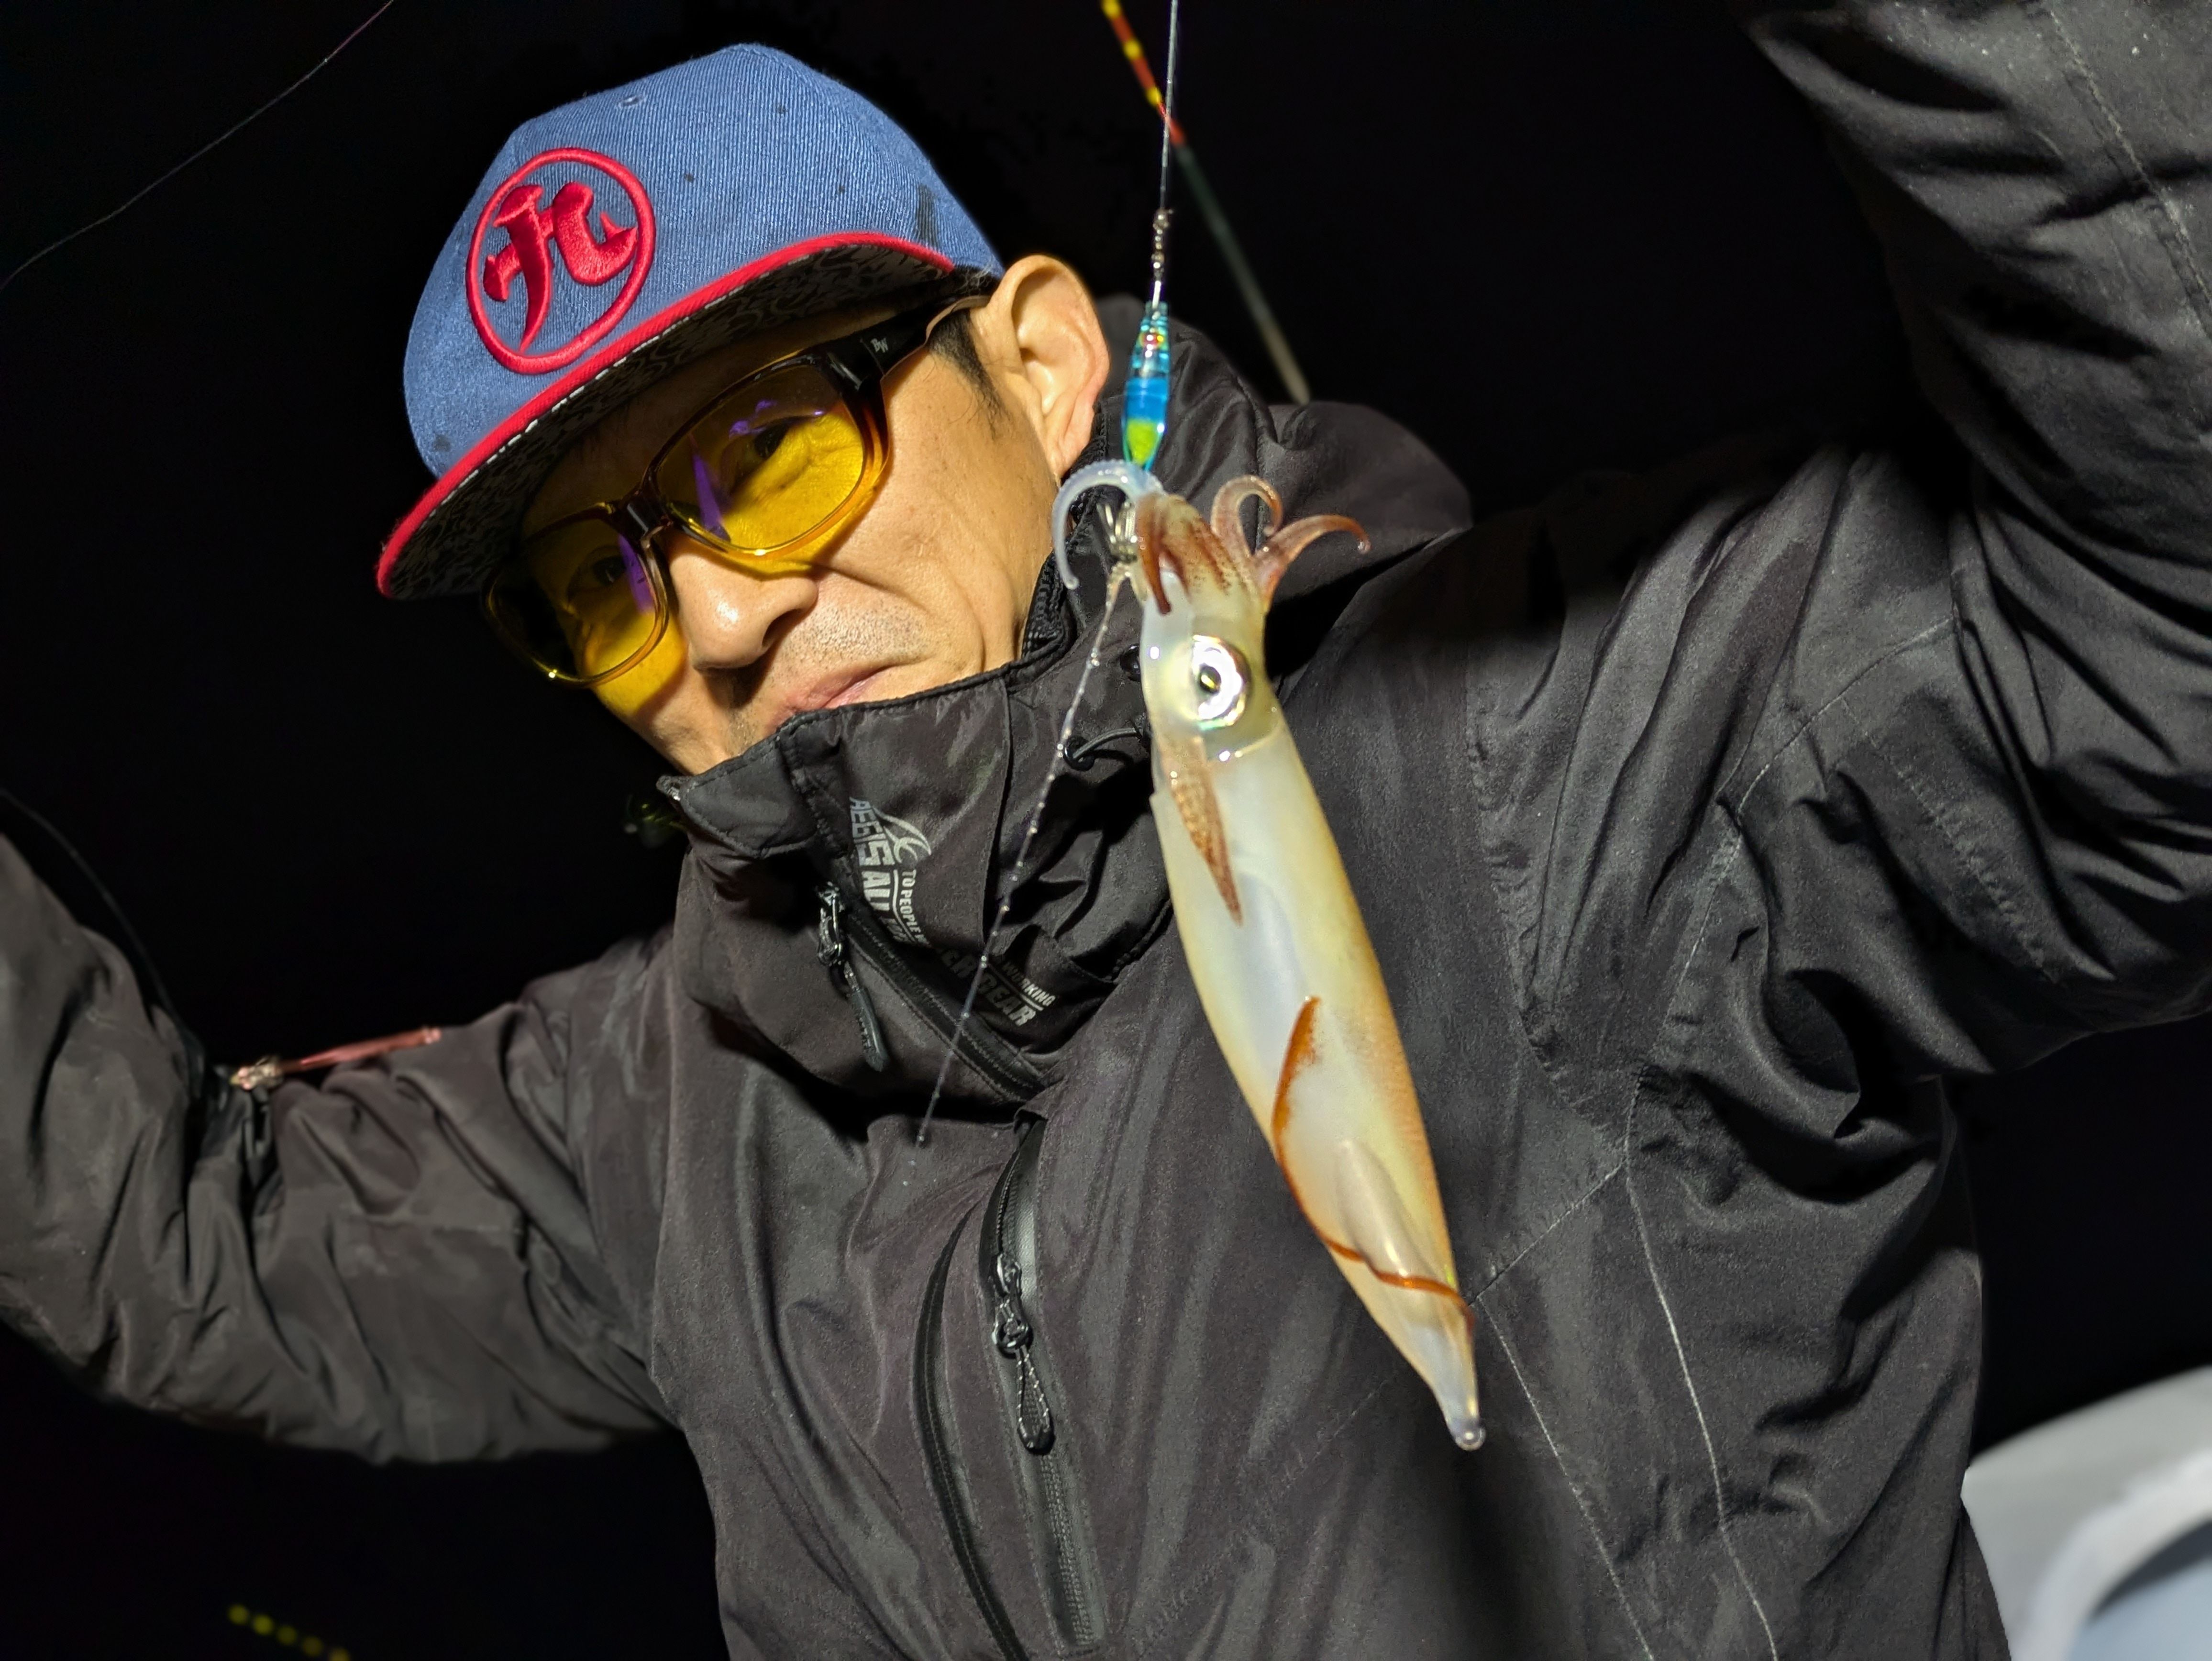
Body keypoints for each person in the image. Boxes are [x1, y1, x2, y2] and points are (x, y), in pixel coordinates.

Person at [3, 5, 2207, 1654]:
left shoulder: (1554, 745)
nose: (722, 618)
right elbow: (172, 1234)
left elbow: (2149, 644)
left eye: (774, 450)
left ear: (1047, 363)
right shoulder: (661, 1104)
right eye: (601, 583)